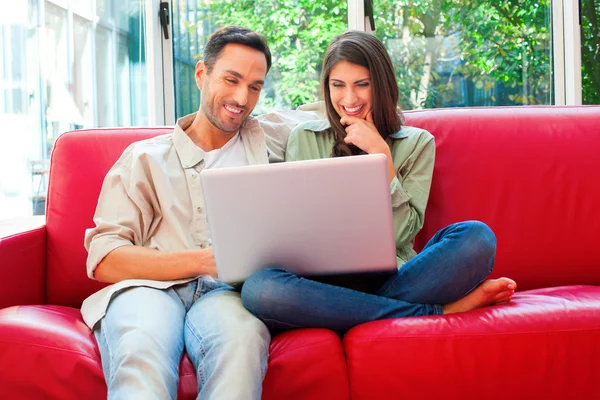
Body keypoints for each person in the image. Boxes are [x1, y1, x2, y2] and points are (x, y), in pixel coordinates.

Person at [241, 31, 517, 334]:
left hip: (394, 276)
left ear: (381, 85)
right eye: (338, 86)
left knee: (476, 238)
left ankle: (346, 311)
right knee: (260, 289)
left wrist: (381, 155)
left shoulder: (417, 143)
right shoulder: (304, 137)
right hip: (320, 280)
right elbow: (295, 230)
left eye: (362, 85)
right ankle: (434, 312)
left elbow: (402, 233)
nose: (349, 99)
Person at [82, 26, 276, 399]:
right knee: (140, 348)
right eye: (231, 79)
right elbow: (105, 258)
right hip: (150, 290)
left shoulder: (268, 140)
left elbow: (328, 111)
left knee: (243, 343)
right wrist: (203, 261)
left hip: (228, 296)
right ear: (202, 74)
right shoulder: (144, 157)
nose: (242, 97)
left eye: (255, 86)